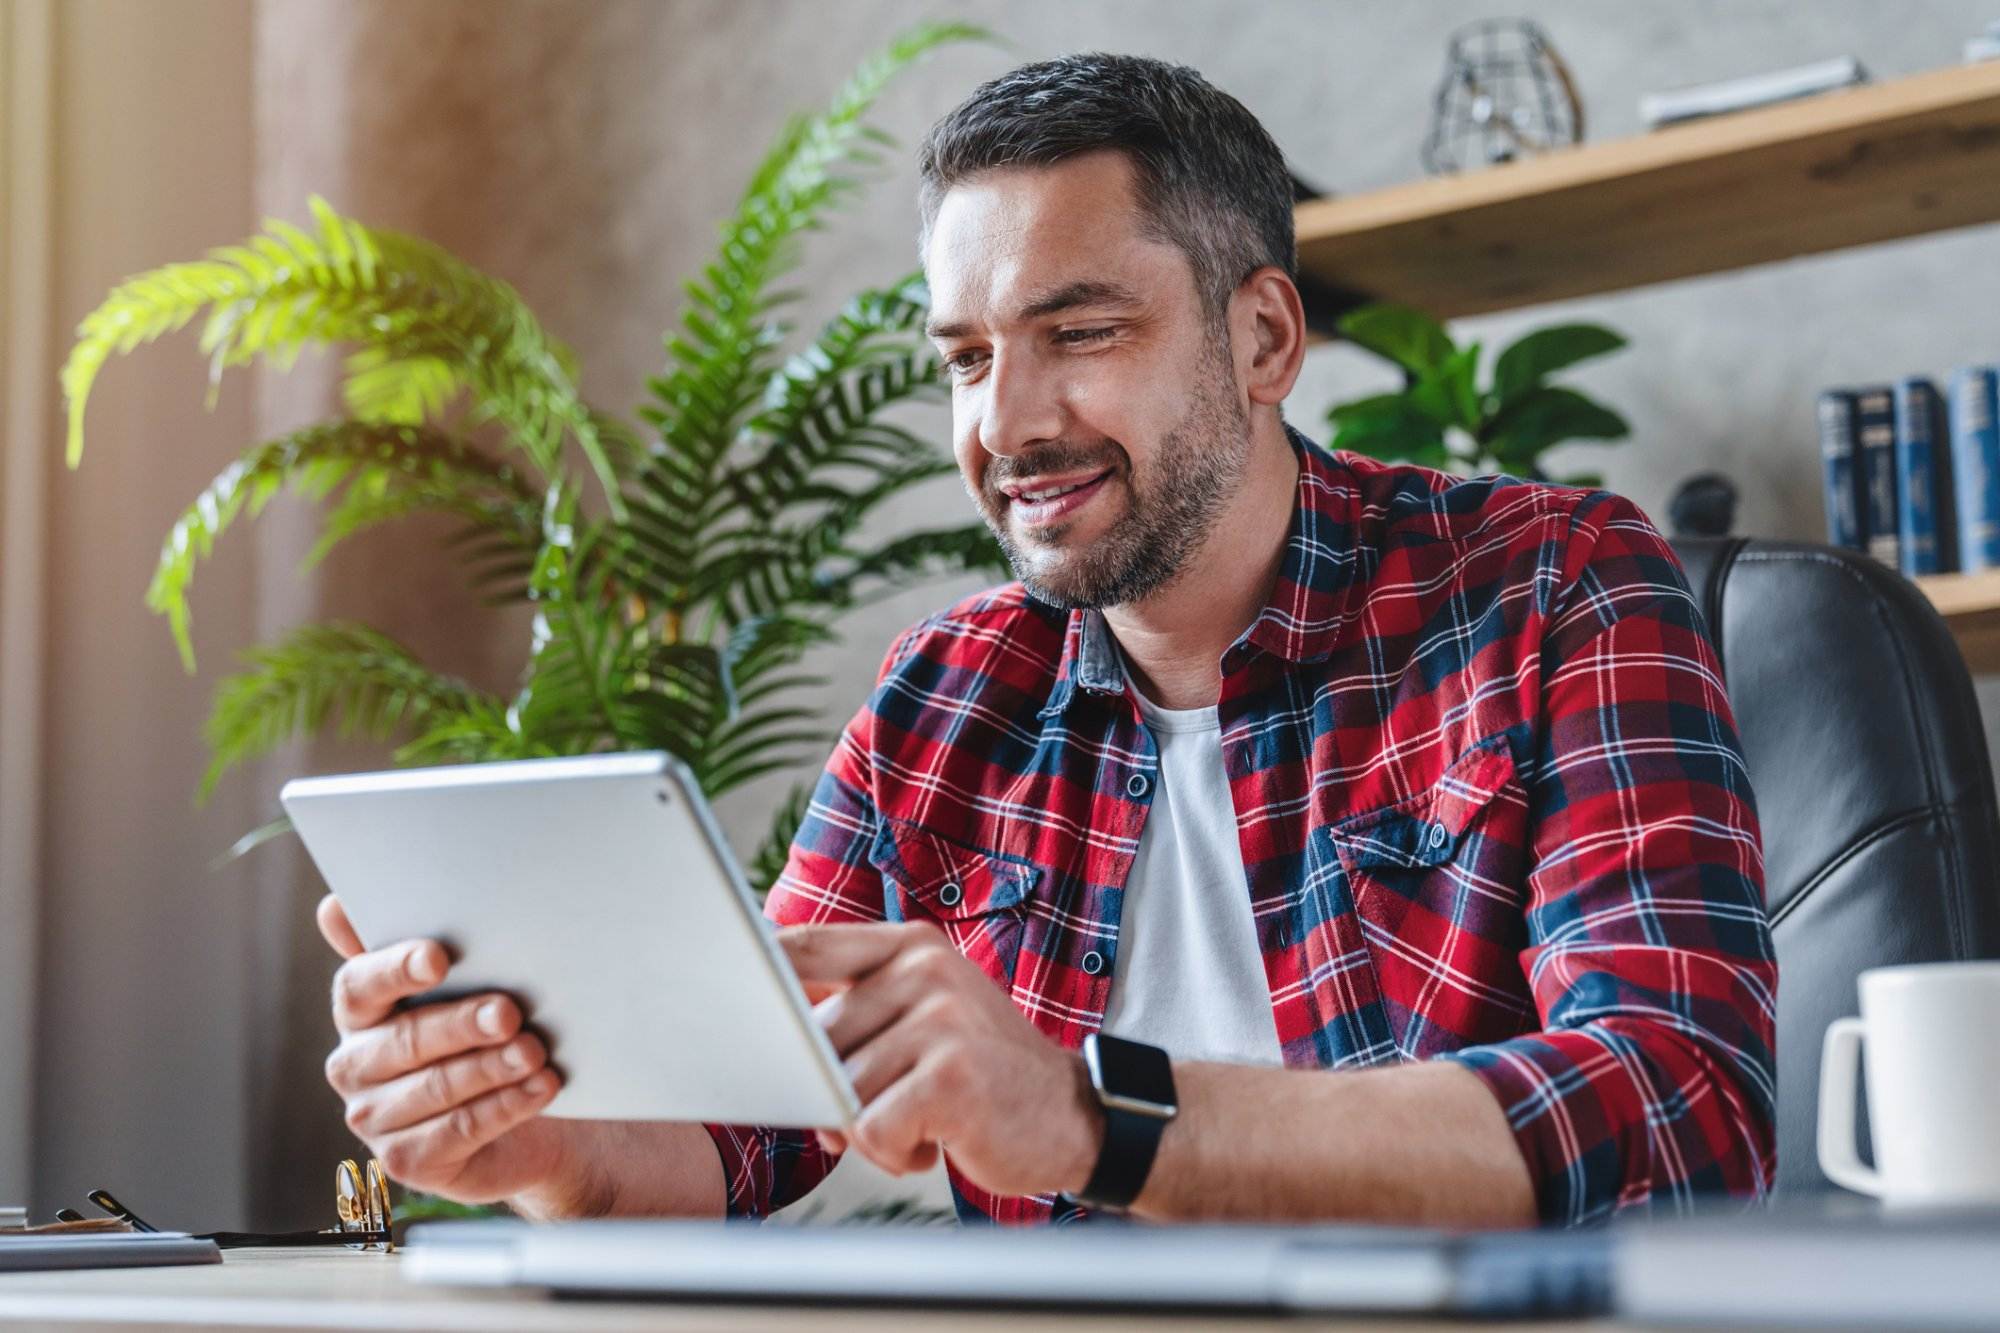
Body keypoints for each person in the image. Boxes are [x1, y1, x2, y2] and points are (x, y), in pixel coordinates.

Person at [316, 52, 1776, 1229]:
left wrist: (1091, 1118)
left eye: (1079, 333)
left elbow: (1677, 1101)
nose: (1006, 424)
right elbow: (754, 1122)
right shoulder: (945, 697)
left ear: (1264, 339)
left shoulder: (1556, 587)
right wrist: (536, 1141)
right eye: (966, 356)